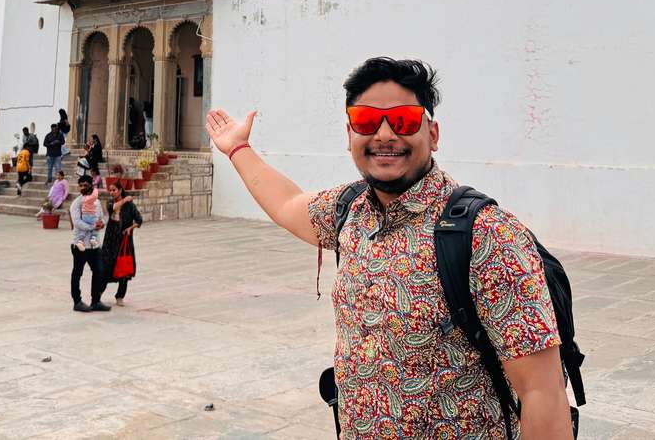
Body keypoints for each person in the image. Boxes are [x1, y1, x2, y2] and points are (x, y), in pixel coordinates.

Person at [206, 57, 574, 439]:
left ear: (432, 134)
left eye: (403, 121)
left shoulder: (486, 234)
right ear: (350, 134)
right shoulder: (350, 210)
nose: (384, 134)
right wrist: (238, 149)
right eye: (367, 121)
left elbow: (541, 393)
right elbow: (287, 205)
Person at [69, 176, 109, 312]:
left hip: (94, 244)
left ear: (91, 185)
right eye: (80, 185)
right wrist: (93, 226)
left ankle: (96, 301)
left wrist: (101, 223)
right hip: (80, 245)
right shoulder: (76, 203)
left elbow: (102, 218)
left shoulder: (97, 202)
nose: (82, 188)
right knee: (77, 273)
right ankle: (77, 301)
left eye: (85, 185)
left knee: (99, 271)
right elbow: (77, 222)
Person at [101, 183, 142, 306]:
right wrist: (125, 199)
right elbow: (112, 208)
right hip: (110, 240)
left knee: (124, 267)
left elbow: (139, 220)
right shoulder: (110, 202)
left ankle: (120, 296)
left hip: (124, 240)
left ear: (120, 190)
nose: (112, 192)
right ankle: (97, 294)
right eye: (110, 190)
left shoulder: (130, 206)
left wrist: (130, 228)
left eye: (114, 190)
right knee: (105, 267)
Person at [73, 183, 101, 252]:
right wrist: (94, 188)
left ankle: (80, 241)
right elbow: (95, 195)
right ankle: (93, 238)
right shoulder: (91, 198)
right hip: (91, 215)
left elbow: (101, 216)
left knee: (83, 231)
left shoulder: (83, 198)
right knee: (96, 225)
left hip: (84, 215)